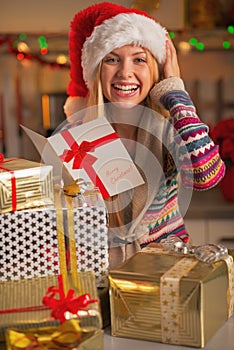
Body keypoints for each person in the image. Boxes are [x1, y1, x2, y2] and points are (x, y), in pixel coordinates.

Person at [63, 2, 225, 269]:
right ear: (97, 71)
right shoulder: (77, 135)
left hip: (167, 271)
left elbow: (207, 176)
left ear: (155, 71)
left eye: (139, 59)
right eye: (112, 59)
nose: (125, 72)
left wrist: (175, 93)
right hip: (103, 277)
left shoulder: (169, 128)